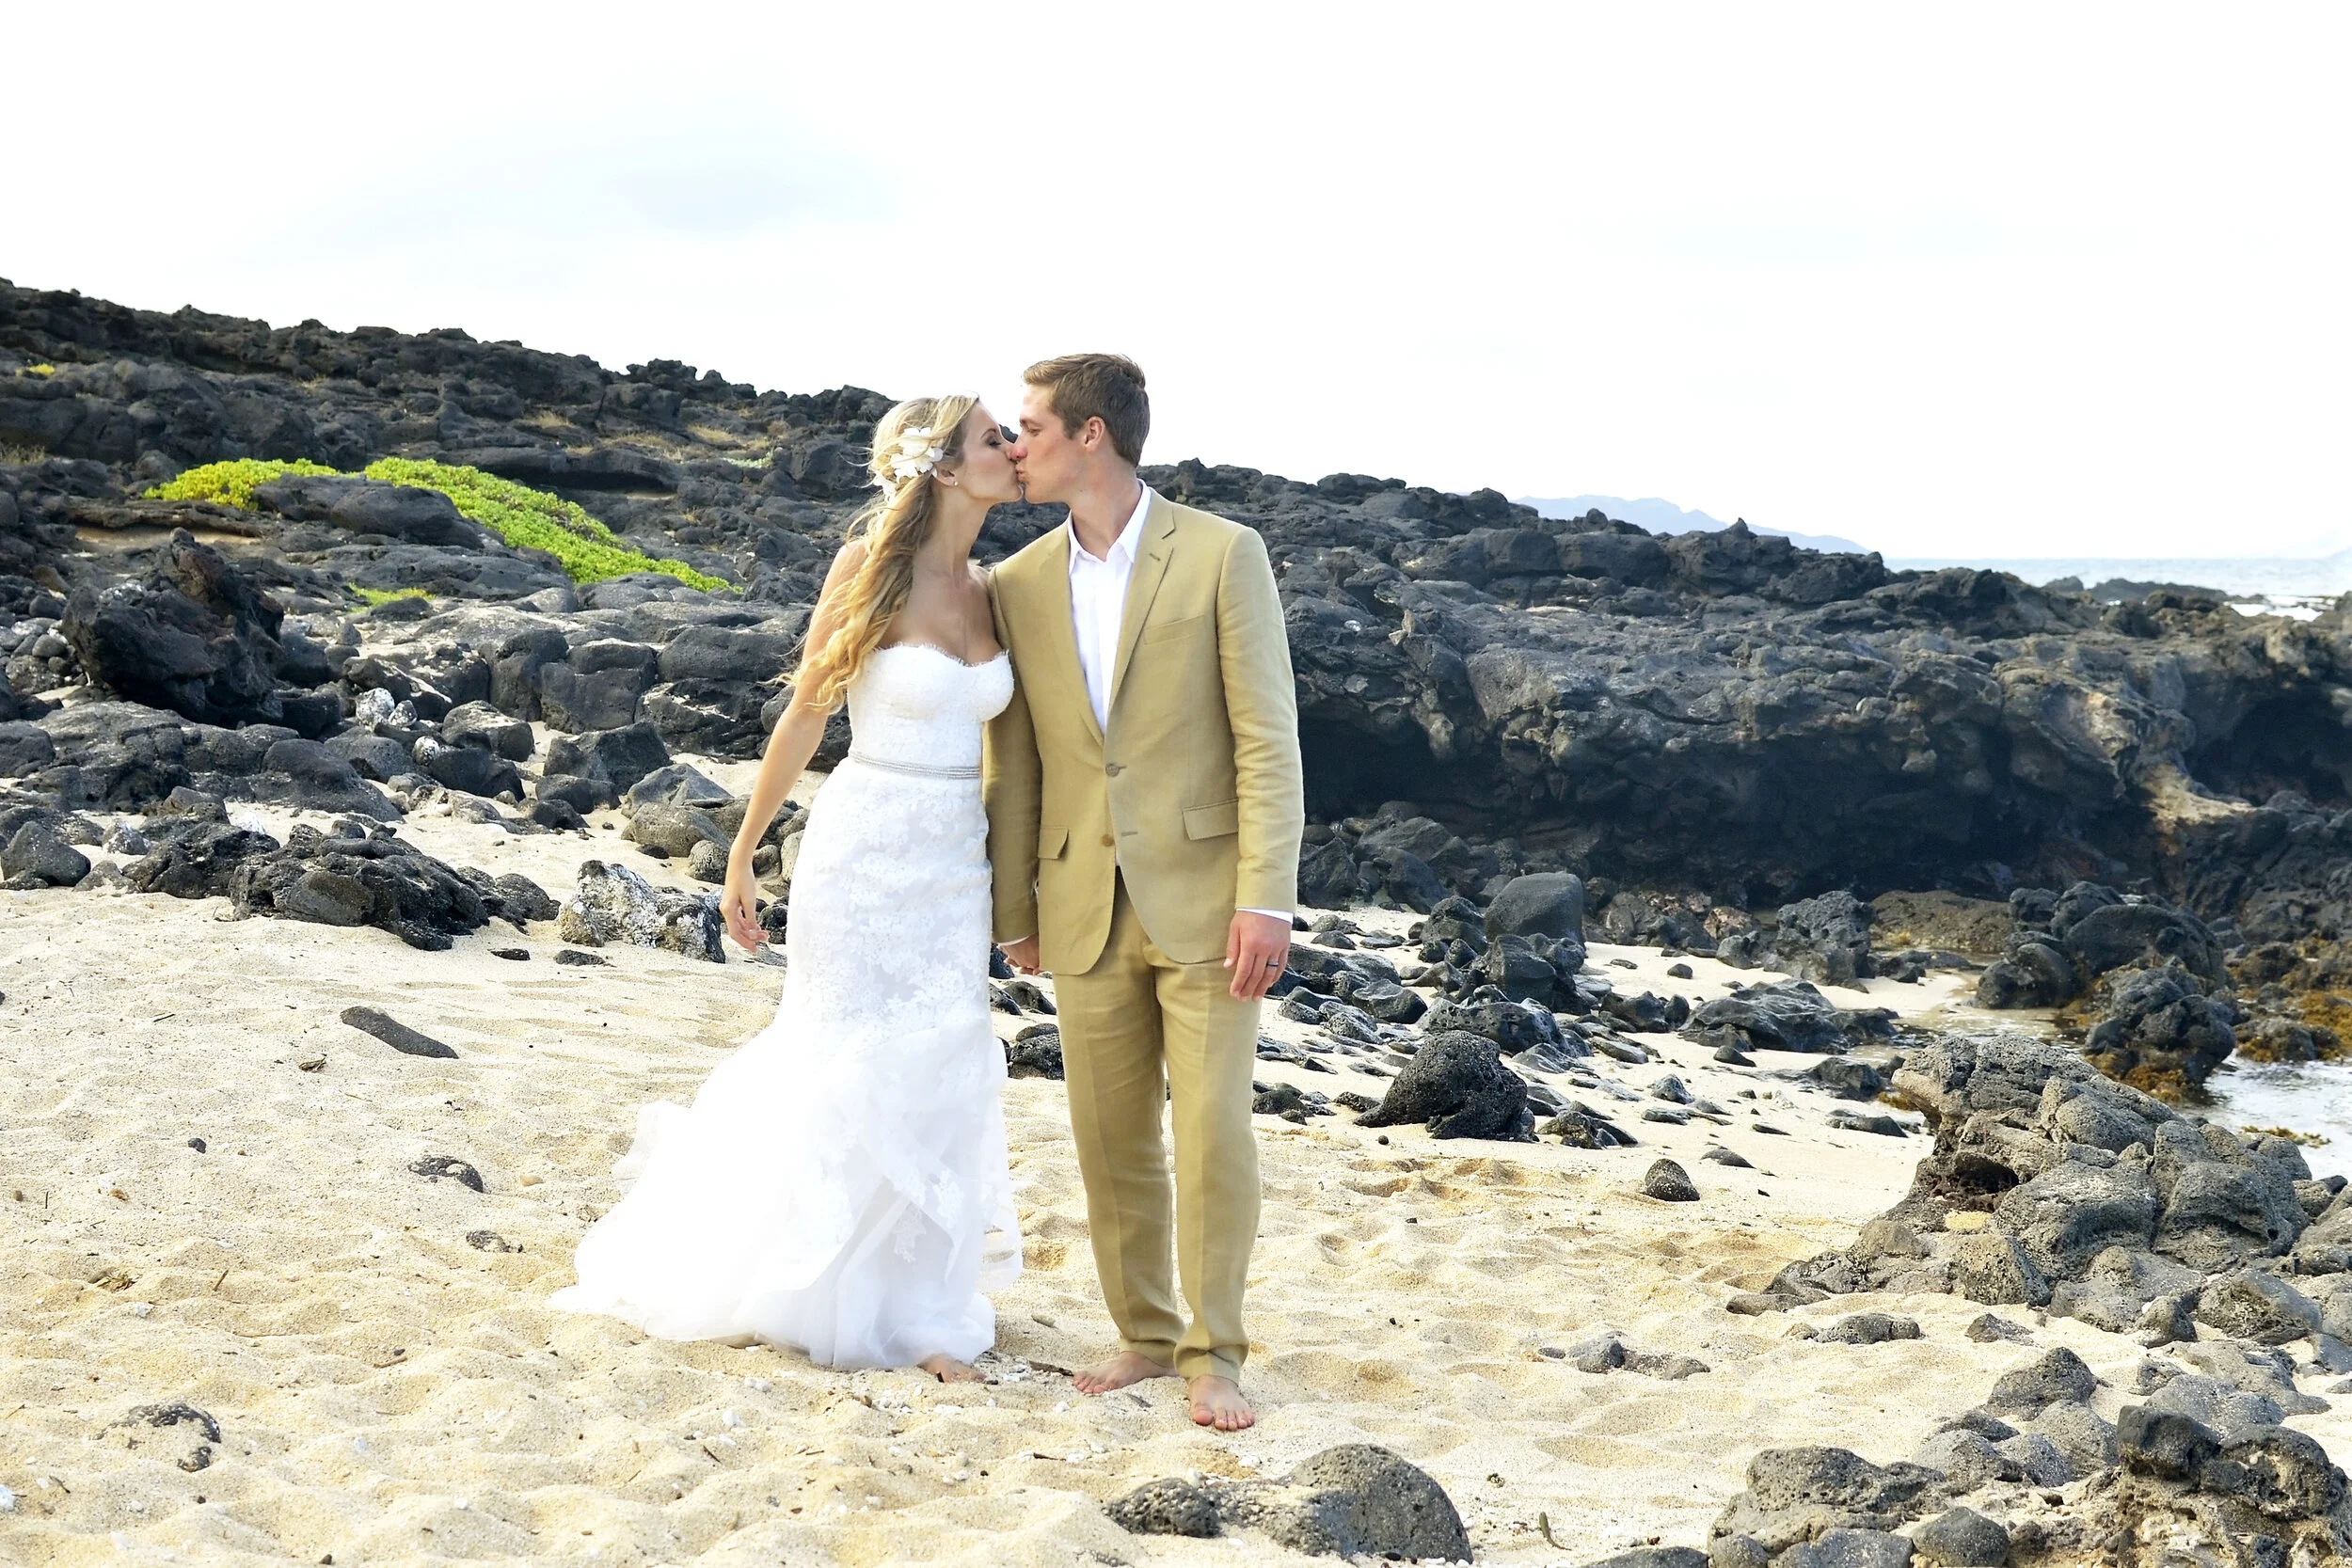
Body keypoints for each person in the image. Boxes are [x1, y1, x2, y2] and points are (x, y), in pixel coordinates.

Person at [549, 394, 1025, 1383]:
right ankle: (805, 1283)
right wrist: (742, 850)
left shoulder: (994, 588)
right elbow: (807, 713)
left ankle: (916, 1309)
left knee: (942, 1054)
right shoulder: (868, 567)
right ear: (943, 466)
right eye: (995, 438)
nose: (1015, 448)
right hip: (862, 846)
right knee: (840, 1049)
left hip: (955, 862)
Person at [984, 353, 1304, 1431]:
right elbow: (1016, 757)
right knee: (1107, 1135)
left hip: (1211, 901)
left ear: (1092, 434)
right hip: (1080, 897)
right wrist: (1015, 909)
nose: (1014, 447)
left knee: (1211, 1133)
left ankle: (1215, 1352)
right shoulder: (1018, 581)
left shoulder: (1221, 552)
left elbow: (1266, 738)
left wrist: (1267, 897)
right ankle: (1145, 1331)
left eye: (1030, 426)